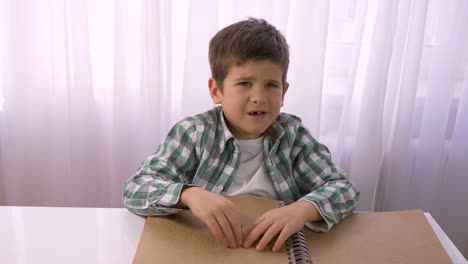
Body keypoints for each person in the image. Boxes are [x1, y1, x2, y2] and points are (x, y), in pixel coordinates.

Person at [123, 17, 359, 253]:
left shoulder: (293, 136)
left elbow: (342, 188)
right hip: (206, 249)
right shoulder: (195, 133)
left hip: (274, 251)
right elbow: (136, 188)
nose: (259, 97)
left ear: (284, 91)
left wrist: (302, 209)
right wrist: (190, 195)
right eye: (245, 83)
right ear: (217, 91)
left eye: (271, 85)